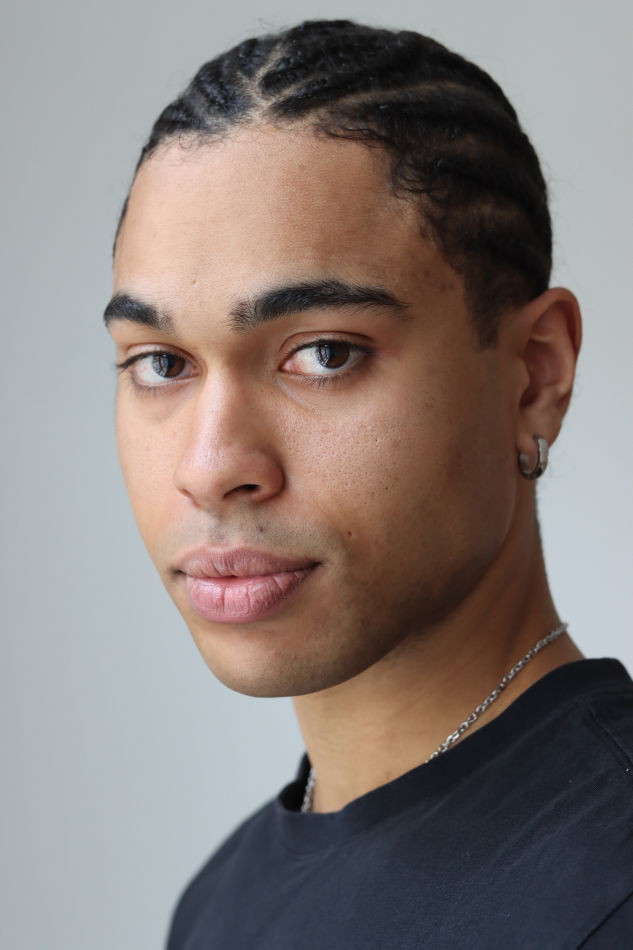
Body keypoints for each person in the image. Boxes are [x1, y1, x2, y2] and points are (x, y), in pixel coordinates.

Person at [104, 19, 633, 948]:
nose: (210, 467)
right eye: (161, 363)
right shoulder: (219, 906)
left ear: (534, 376)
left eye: (323, 353)